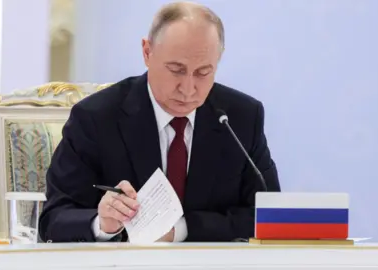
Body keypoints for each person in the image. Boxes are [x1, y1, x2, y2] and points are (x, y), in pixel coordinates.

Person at [39, 1, 280, 243]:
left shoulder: (242, 118)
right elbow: (54, 219)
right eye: (176, 69)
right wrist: (102, 224)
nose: (188, 89)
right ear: (147, 52)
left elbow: (269, 217)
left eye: (203, 73)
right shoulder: (96, 118)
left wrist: (181, 230)